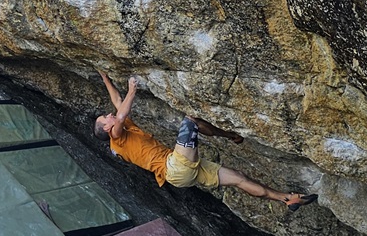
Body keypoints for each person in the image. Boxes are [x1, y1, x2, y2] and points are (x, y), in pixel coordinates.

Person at [96, 72, 317, 208]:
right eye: (106, 118)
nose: (110, 115)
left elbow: (117, 102)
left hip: (183, 176)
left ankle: (286, 198)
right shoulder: (117, 138)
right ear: (107, 127)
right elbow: (122, 112)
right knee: (190, 121)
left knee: (239, 178)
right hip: (174, 168)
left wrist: (105, 77)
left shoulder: (124, 132)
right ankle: (230, 135)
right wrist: (132, 89)